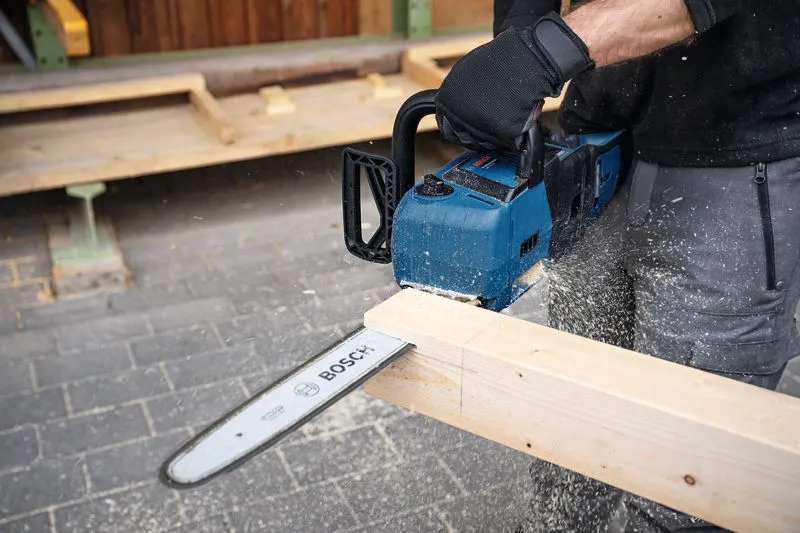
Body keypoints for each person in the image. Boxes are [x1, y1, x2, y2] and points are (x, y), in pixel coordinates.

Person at [435, 1, 800, 531]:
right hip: (595, 135)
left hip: (738, 143)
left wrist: (544, 51)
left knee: (690, 456)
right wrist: (519, 37)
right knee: (576, 395)